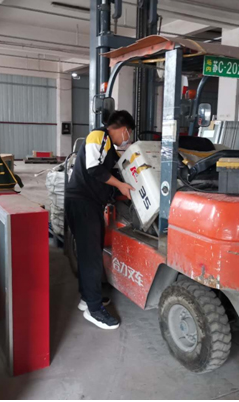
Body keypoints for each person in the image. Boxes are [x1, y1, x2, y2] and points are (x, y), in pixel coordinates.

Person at [64, 110, 135, 330]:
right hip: (82, 203)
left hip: (89, 204)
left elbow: (107, 173)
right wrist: (120, 185)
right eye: (129, 133)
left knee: (90, 253)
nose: (128, 138)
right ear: (123, 129)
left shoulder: (109, 147)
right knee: (92, 257)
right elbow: (94, 168)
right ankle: (94, 310)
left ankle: (88, 298)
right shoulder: (99, 136)